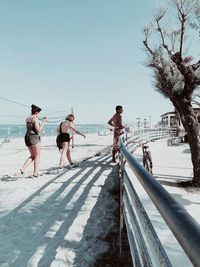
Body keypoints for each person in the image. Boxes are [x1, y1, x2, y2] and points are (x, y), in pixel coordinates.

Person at [20, 104, 46, 177]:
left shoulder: (27, 118)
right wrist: (43, 122)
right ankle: (35, 173)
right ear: (37, 112)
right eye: (38, 113)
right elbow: (38, 130)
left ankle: (23, 168)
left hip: (27, 137)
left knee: (33, 155)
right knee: (37, 156)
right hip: (33, 137)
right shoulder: (35, 118)